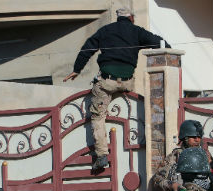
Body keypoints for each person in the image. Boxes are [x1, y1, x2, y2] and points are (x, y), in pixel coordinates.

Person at [63, 8, 171, 171]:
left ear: (117, 18)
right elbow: (160, 43)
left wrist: (77, 69)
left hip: (107, 82)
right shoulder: (137, 32)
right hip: (128, 83)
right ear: (131, 18)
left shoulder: (106, 30)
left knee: (98, 116)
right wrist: (171, 51)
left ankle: (101, 155)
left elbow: (87, 48)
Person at [153, 120, 204, 191]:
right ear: (185, 138)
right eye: (194, 137)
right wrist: (171, 185)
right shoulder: (174, 158)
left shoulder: (204, 157)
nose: (197, 140)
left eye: (199, 137)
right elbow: (157, 179)